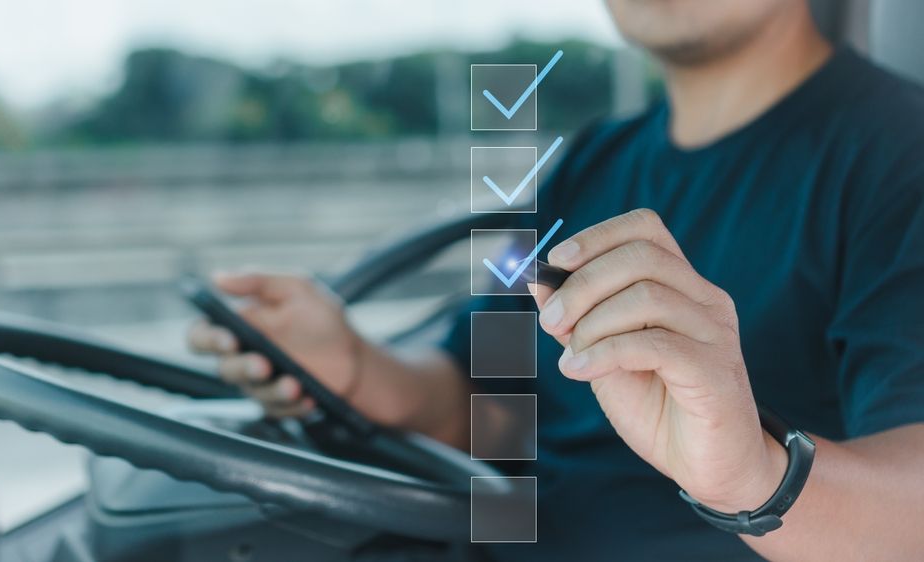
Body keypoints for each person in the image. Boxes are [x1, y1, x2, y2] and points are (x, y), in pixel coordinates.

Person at [189, 0, 924, 559]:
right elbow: (485, 405)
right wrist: (351, 365)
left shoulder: (900, 157)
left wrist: (753, 477)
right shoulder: (587, 163)